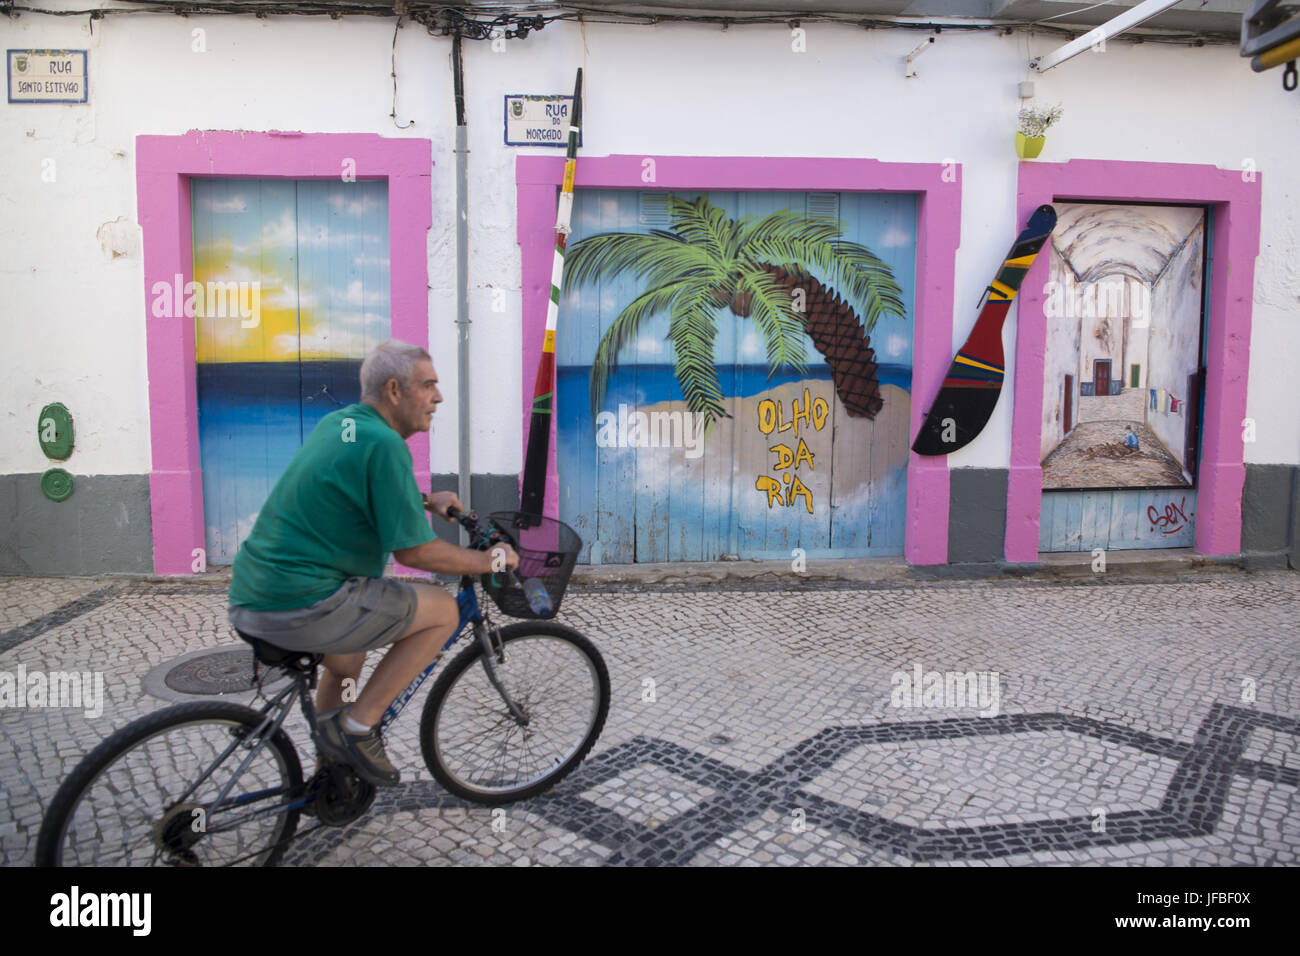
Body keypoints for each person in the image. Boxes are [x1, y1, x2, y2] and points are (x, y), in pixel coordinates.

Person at [225, 340, 518, 787]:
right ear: (396, 390)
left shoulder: (340, 424)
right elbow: (415, 553)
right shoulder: (386, 444)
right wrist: (489, 560)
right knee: (442, 610)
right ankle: (358, 729)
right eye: (429, 385)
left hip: (254, 594)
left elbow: (349, 483)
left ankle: (333, 771)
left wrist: (423, 501)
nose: (438, 397)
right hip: (300, 600)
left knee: (347, 661)